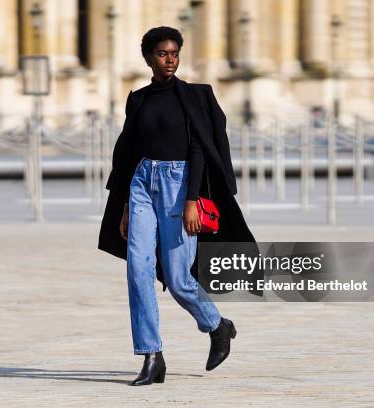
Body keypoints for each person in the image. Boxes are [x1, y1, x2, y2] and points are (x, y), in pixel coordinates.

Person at [97, 26, 262, 386]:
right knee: (137, 271)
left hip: (179, 185)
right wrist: (125, 204)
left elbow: (200, 149)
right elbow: (128, 154)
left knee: (178, 277)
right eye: (162, 54)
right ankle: (151, 355)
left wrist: (191, 201)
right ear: (148, 58)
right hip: (142, 183)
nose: (169, 60)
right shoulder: (138, 99)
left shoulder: (195, 96)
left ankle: (218, 326)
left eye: (174, 53)